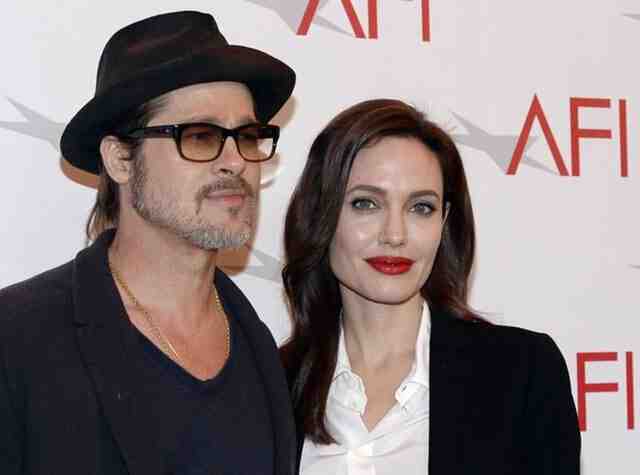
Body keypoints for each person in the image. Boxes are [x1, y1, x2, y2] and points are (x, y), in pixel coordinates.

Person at [0, 11, 297, 475]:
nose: (236, 161)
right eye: (200, 136)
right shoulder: (17, 340)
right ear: (120, 159)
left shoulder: (260, 349)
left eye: (247, 136)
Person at [280, 99, 581, 474]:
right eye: (366, 204)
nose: (395, 234)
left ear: (444, 222)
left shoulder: (522, 374)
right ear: (319, 215)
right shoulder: (272, 383)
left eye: (421, 207)